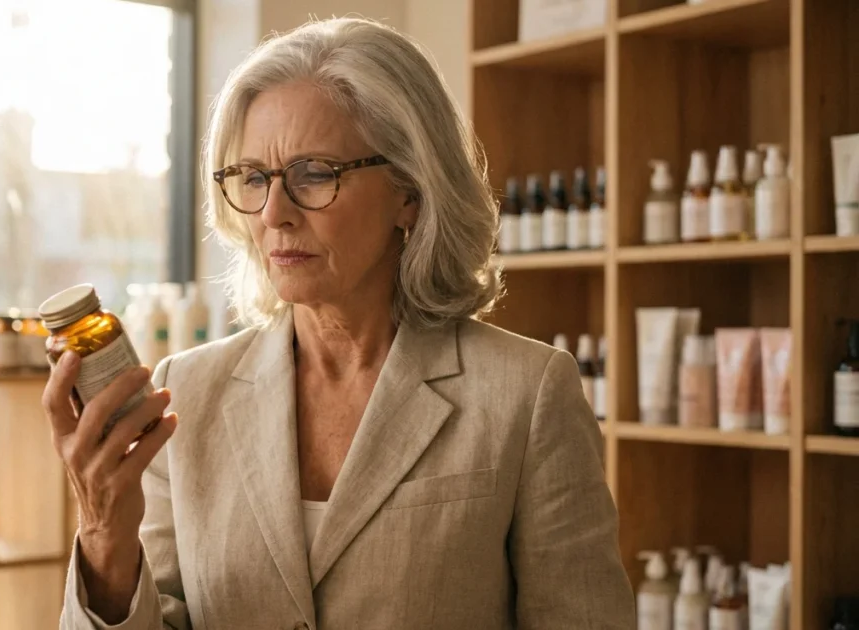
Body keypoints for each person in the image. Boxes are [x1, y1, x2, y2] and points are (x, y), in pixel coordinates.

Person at [45, 16, 634, 630]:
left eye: (314, 174)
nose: (274, 213)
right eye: (252, 178)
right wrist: (104, 535)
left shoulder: (527, 393)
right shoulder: (185, 393)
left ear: (409, 191)